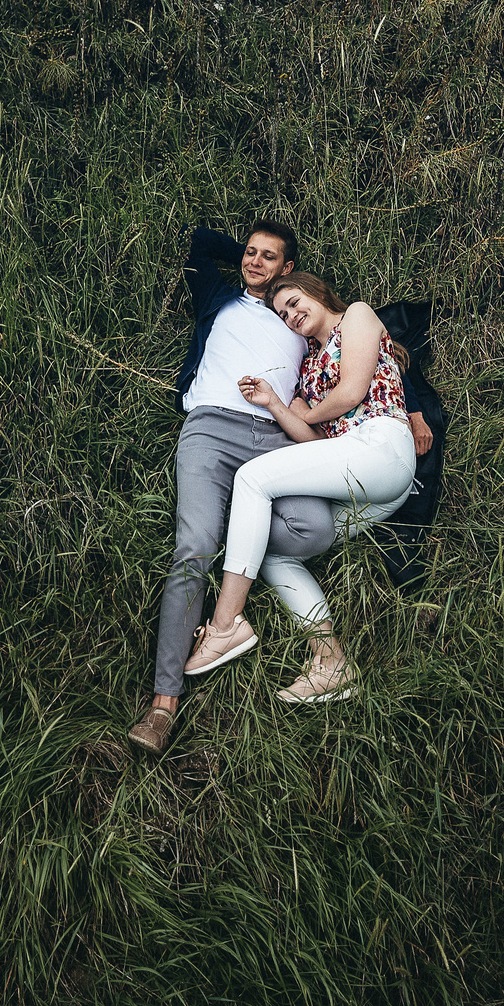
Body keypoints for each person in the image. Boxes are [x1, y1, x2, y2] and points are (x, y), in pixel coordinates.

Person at [127, 224, 431, 756]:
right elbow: (200, 244)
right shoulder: (235, 308)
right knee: (233, 547)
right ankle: (172, 702)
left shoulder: (335, 324)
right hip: (233, 431)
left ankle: (227, 620)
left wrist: (415, 408)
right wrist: (275, 398)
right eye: (250, 253)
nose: (256, 262)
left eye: (270, 258)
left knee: (281, 505)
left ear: (297, 274)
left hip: (327, 443)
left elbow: (368, 376)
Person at [180, 271, 419, 704]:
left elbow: (351, 392)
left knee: (251, 478)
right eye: (283, 314)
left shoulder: (356, 316)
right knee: (276, 553)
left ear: (317, 292)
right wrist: (275, 403)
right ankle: (331, 662)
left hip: (383, 446)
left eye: (294, 303)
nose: (291, 316)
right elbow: (315, 445)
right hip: (356, 475)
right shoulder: (308, 369)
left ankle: (225, 624)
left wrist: (305, 412)